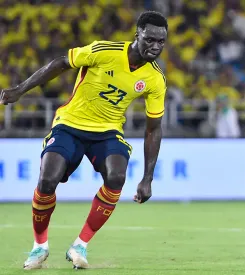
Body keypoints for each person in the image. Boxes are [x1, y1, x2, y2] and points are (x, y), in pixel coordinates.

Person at [0, 11, 168, 270]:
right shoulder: (104, 51)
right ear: (137, 34)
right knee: (47, 180)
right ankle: (39, 246)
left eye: (161, 42)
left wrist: (148, 177)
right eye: (150, 40)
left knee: (116, 177)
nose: (155, 47)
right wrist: (20, 90)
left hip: (108, 131)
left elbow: (153, 129)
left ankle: (80, 245)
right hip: (70, 124)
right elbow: (60, 63)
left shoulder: (155, 79)